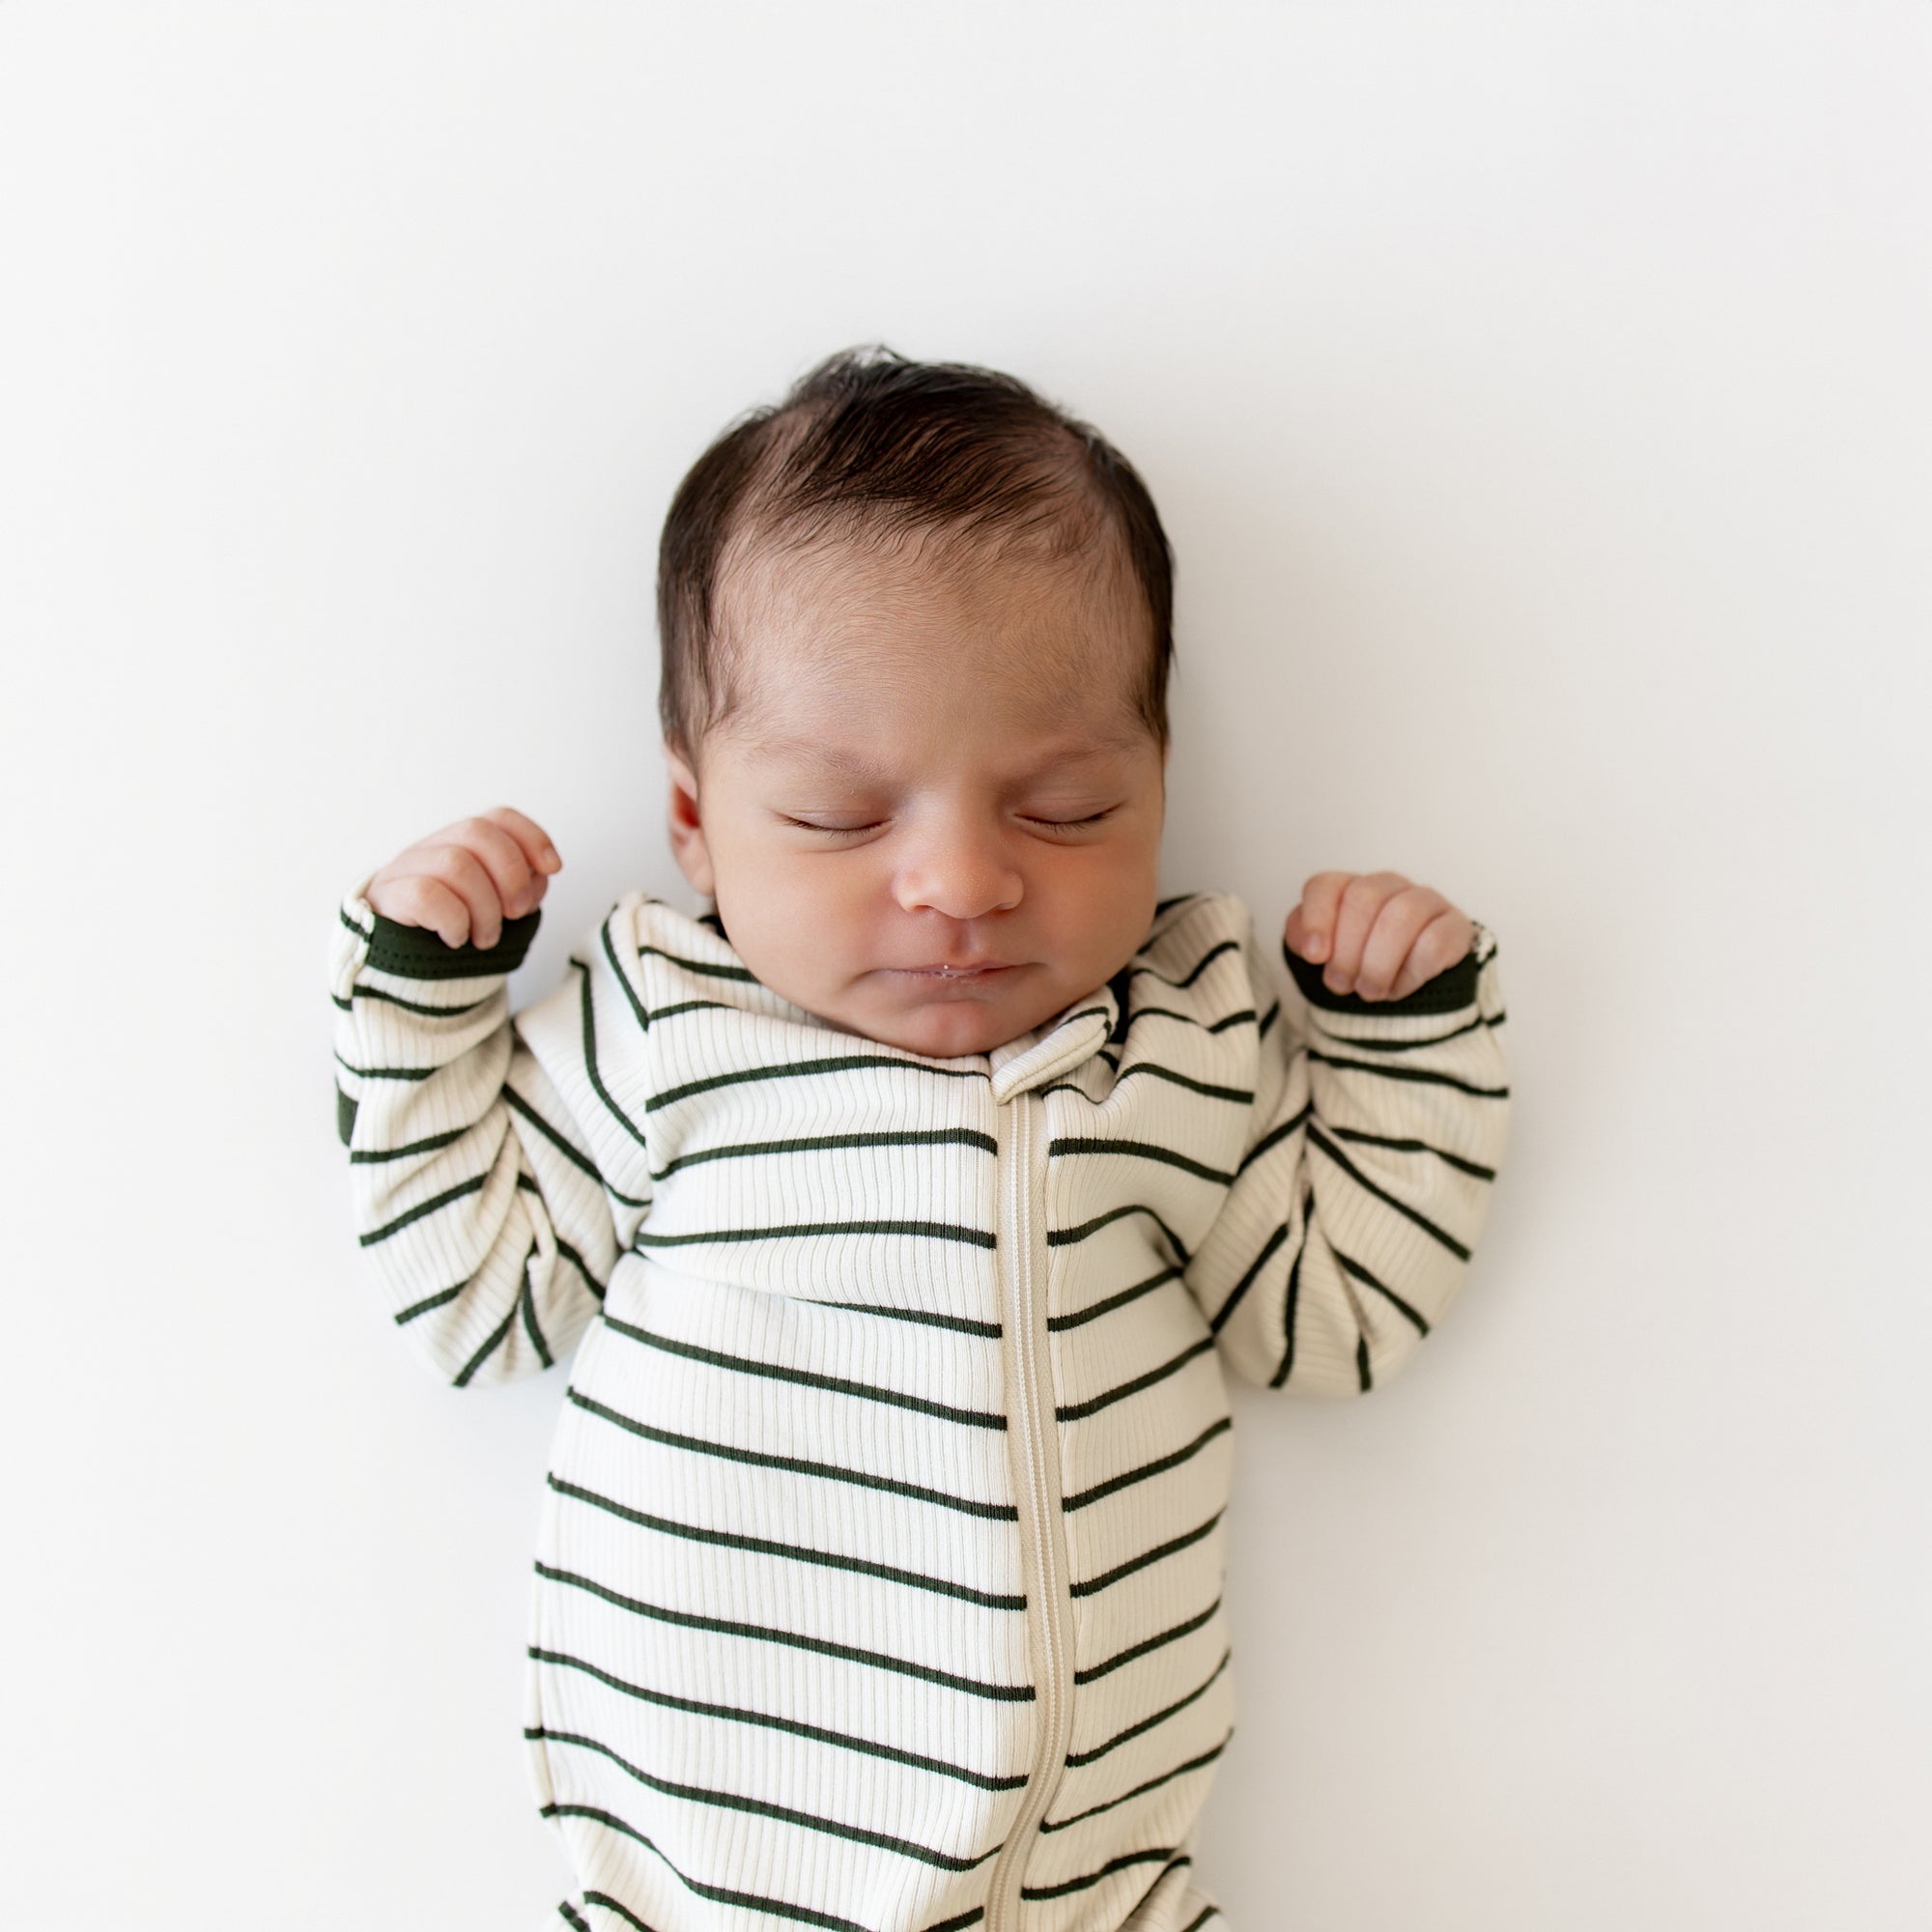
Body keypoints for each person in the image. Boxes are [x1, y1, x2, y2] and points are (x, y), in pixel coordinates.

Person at [327, 346, 1512, 1932]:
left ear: (1161, 787)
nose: (960, 885)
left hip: (1095, 1890)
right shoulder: (674, 1023)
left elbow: (1331, 1324)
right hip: (706, 1888)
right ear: (695, 822)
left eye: (1068, 809)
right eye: (837, 818)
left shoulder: (1182, 1035)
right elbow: (482, 1307)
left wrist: (1397, 1045)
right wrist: (419, 1012)